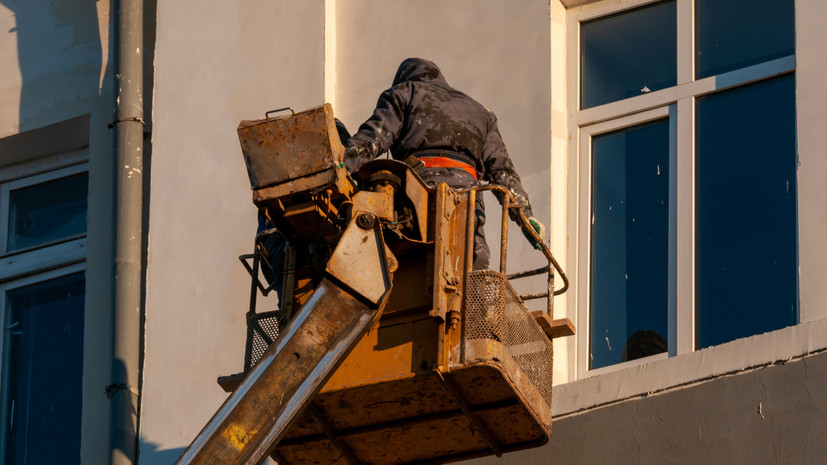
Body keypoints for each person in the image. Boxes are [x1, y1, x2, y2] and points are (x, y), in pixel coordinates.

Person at [344, 57, 544, 269]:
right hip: (468, 197)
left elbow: (371, 140)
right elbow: (503, 171)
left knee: (408, 259)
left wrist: (341, 165)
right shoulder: (481, 112)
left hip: (420, 190)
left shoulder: (404, 93)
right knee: (472, 262)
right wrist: (525, 216)